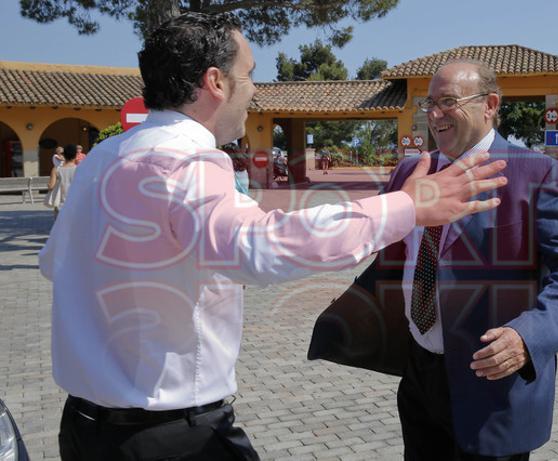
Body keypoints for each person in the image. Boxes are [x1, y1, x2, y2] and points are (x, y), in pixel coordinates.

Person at [39, 14, 507, 461]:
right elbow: (260, 246)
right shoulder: (187, 163)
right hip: (168, 437)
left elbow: (52, 262)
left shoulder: (103, 159)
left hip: (83, 429)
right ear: (215, 82)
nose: (255, 90)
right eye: (249, 74)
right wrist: (408, 207)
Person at [310, 60, 558, 460]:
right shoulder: (412, 170)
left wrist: (528, 337)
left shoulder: (539, 175)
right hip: (419, 371)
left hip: (492, 380)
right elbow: (381, 243)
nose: (436, 114)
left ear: (490, 104)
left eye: (448, 102)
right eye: (430, 104)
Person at [45, 144, 77, 218]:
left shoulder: (56, 169)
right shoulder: (80, 169)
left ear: (64, 155)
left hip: (60, 203)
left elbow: (51, 186)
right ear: (75, 156)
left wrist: (49, 185)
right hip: (75, 204)